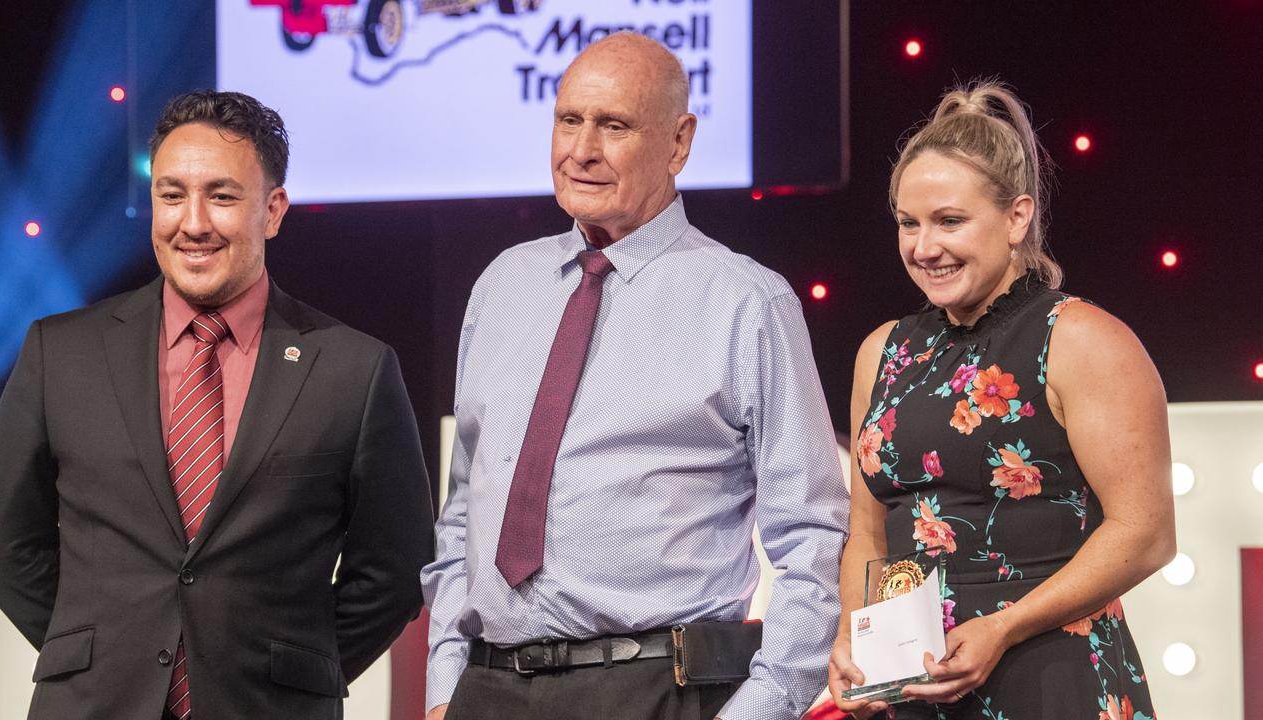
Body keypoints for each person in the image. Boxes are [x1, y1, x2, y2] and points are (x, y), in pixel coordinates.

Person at [421, 33, 849, 720]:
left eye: (613, 126)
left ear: (679, 143)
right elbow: (465, 510)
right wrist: (446, 682)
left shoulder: (747, 302)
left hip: (657, 689)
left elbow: (811, 536)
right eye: (568, 120)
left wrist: (763, 708)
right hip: (488, 688)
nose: (581, 150)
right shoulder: (502, 286)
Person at [0, 90, 435, 720]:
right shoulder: (59, 354)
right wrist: (93, 647)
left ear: (273, 210)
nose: (192, 222)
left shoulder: (354, 369)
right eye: (172, 195)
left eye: (221, 196)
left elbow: (394, 566)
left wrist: (297, 666)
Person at [827, 80, 1175, 719]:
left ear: (1016, 217)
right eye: (909, 223)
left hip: (1050, 676)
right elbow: (868, 533)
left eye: (949, 221)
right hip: (914, 688)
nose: (924, 247)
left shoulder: (1081, 340)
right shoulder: (882, 351)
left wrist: (1004, 628)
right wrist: (854, 639)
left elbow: (1145, 534)